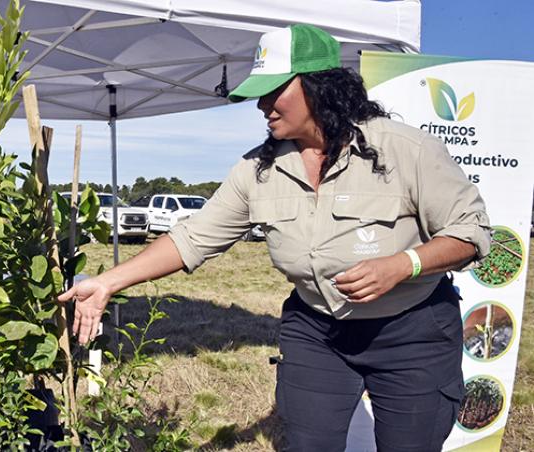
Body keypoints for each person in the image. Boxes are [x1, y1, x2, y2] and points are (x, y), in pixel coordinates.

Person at [58, 24, 491, 451]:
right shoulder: (257, 170)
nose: (262, 105)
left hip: (411, 332)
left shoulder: (405, 150)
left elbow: (471, 234)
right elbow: (192, 238)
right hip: (317, 331)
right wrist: (109, 281)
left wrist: (403, 265)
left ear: (320, 86)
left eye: (273, 91)